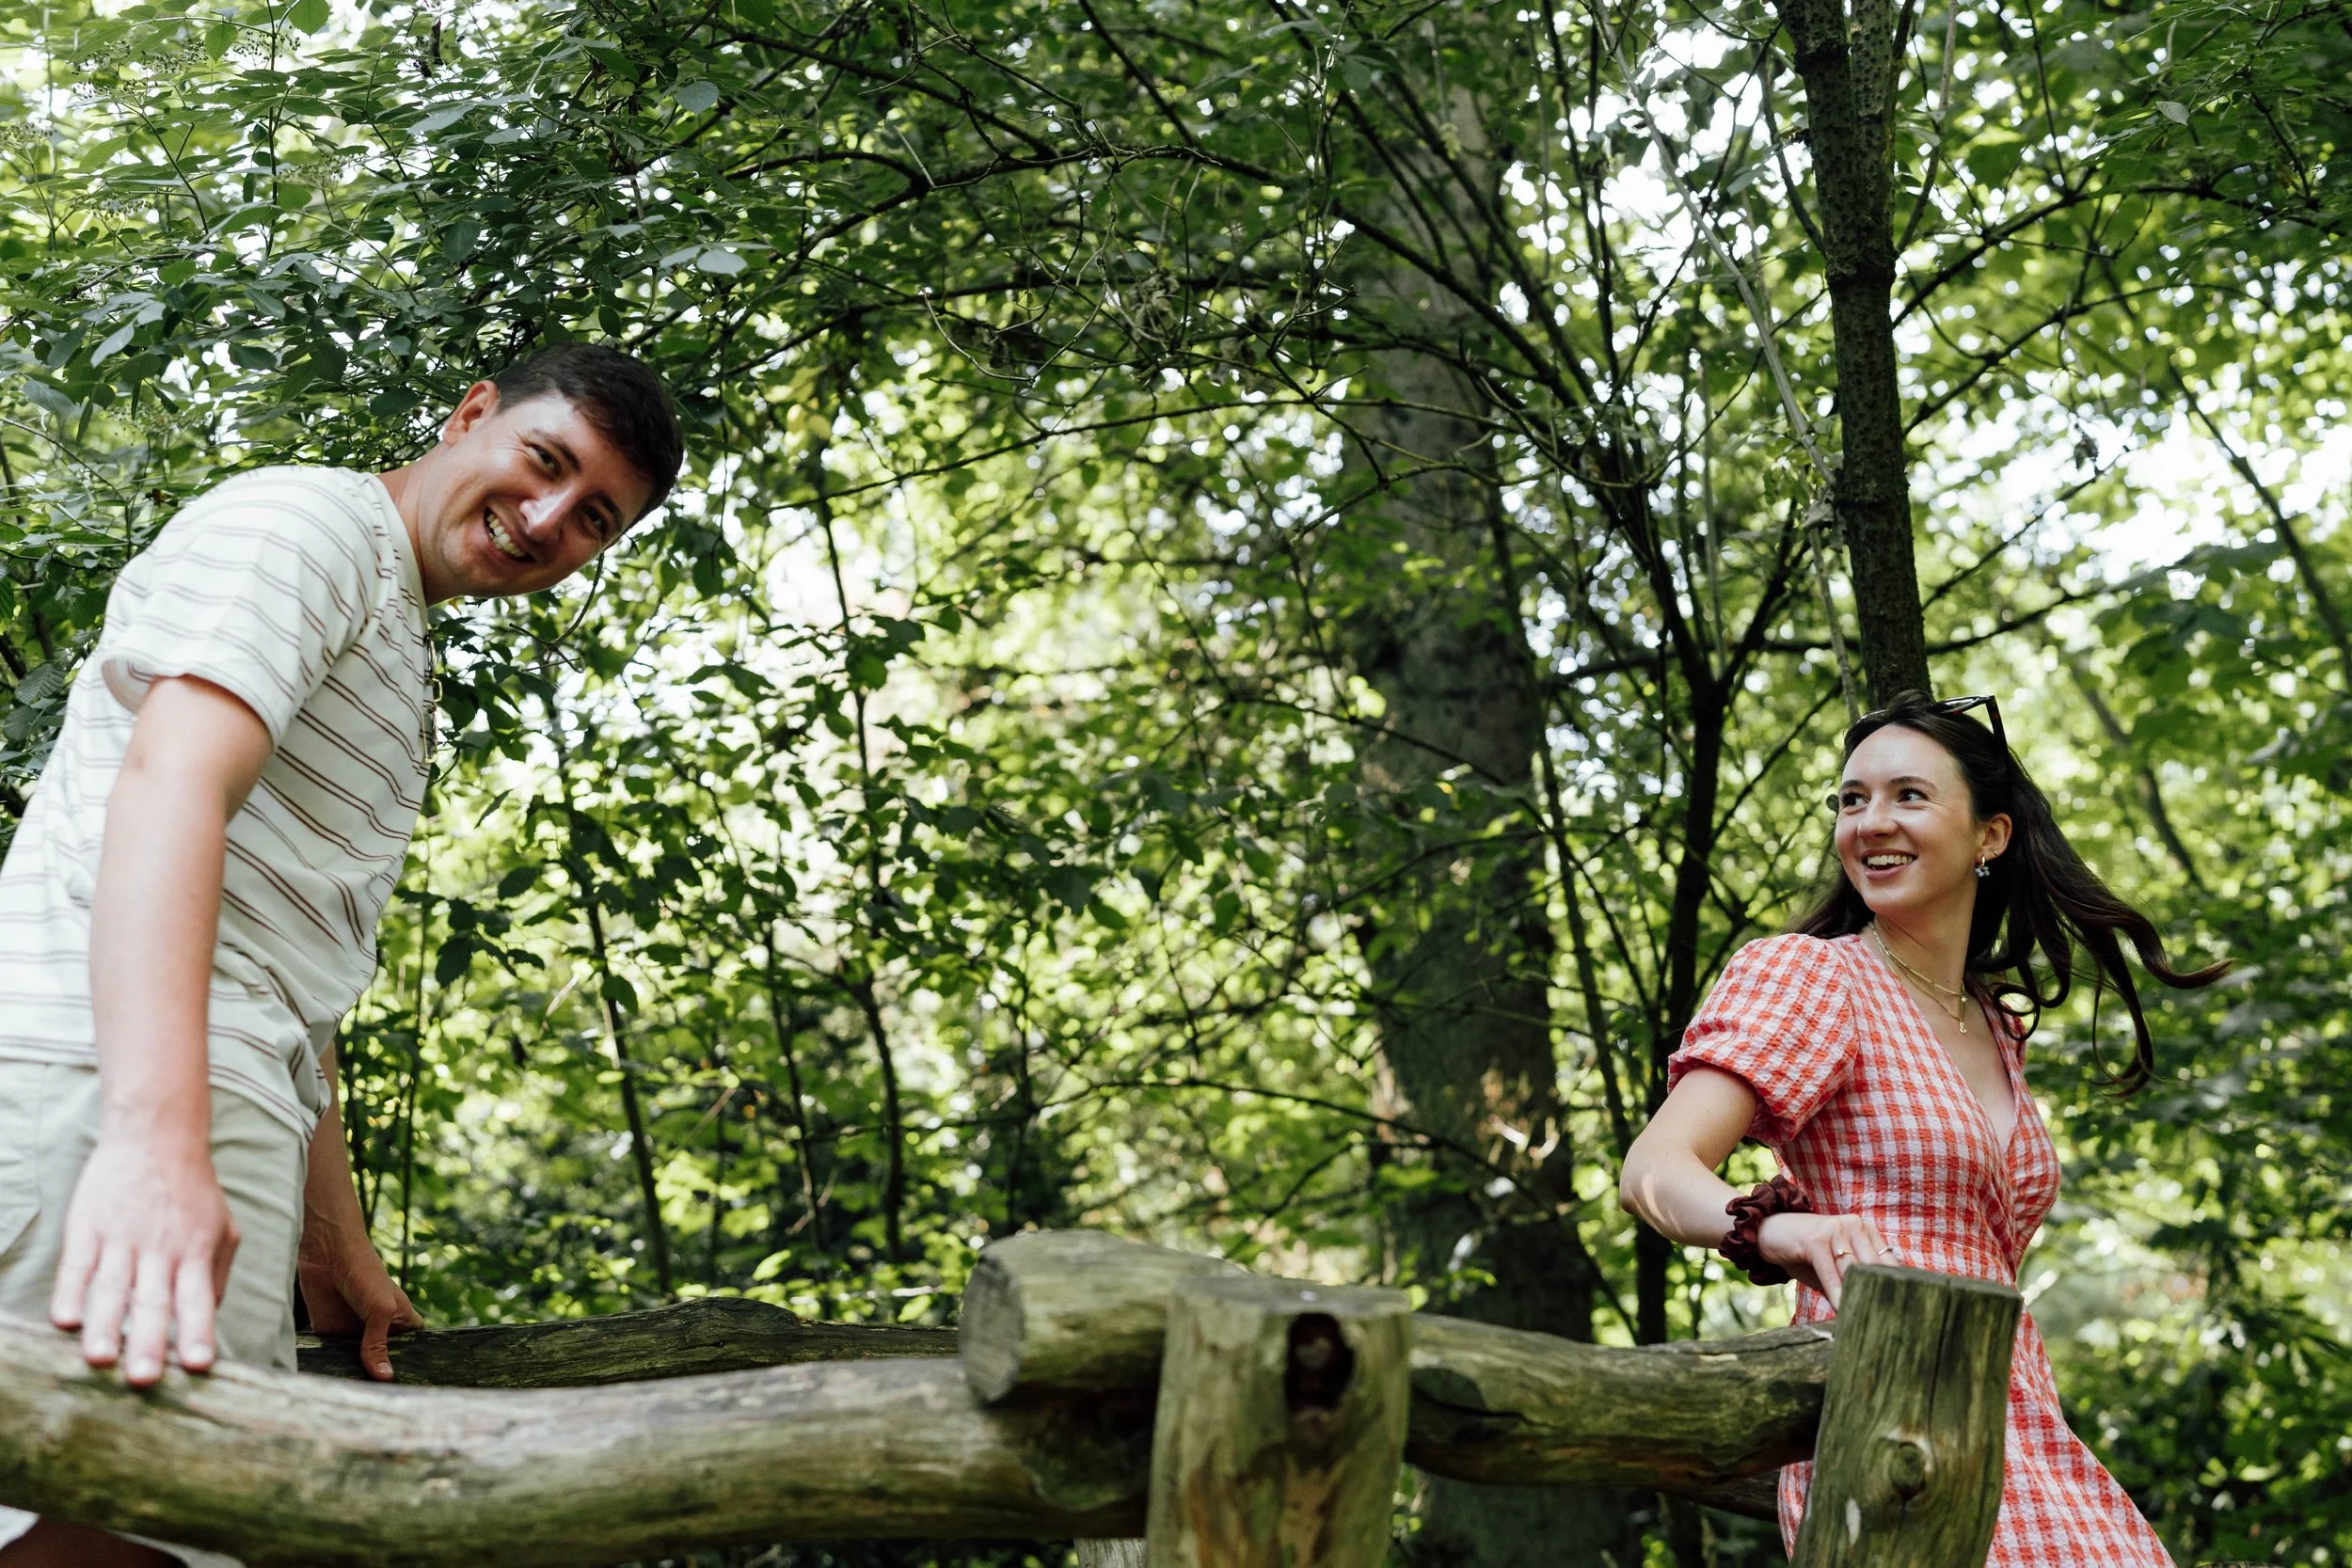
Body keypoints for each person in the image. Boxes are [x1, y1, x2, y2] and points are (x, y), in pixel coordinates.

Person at [0, 342, 684, 1568]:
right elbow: (168, 787)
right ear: (472, 412)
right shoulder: (310, 526)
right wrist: (157, 1143)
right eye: (543, 461)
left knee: (149, 1527)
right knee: (121, 1528)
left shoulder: (390, 621)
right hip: (105, 1090)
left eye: (593, 517)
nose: (545, 521)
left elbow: (283, 971)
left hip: (188, 1092)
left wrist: (335, 1239)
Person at [1619, 690, 2224, 1566]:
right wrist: (1783, 1227)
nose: (1870, 822)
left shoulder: (1992, 1018)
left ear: (1991, 836)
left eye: (1909, 794)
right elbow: (1655, 1168)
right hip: (1893, 1435)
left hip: (2017, 1417)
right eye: (1850, 799)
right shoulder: (1815, 979)